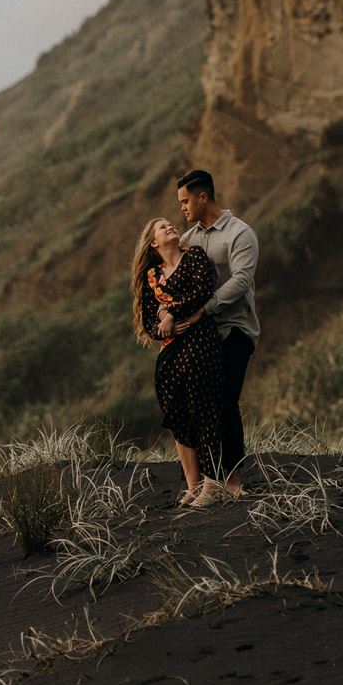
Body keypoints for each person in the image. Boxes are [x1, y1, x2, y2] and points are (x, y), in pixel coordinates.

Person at [166, 169, 258, 497]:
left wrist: (204, 308)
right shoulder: (189, 240)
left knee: (226, 401)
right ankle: (206, 481)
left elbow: (241, 281)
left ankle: (233, 483)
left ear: (203, 197)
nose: (183, 208)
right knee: (199, 405)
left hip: (236, 328)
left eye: (186, 201)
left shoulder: (240, 234)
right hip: (203, 337)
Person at [131, 216, 225, 507]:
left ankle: (213, 483)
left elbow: (203, 289)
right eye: (162, 227)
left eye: (171, 223)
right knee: (177, 412)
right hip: (172, 352)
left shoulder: (194, 257)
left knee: (204, 407)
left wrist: (171, 312)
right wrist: (163, 318)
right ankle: (193, 484)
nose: (171, 226)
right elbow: (149, 320)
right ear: (153, 242)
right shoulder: (151, 277)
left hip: (201, 342)